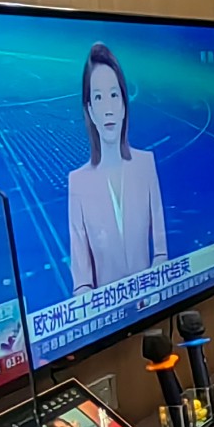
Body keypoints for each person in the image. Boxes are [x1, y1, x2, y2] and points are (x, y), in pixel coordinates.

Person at [68, 44, 167, 291]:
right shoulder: (78, 182)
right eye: (98, 98)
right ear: (90, 111)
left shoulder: (146, 165)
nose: (108, 109)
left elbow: (161, 253)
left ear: (124, 104)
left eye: (114, 95)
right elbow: (82, 283)